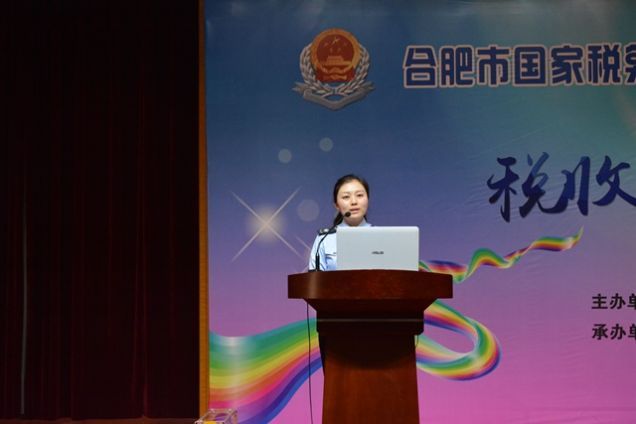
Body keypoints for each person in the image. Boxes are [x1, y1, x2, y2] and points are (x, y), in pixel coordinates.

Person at [308, 174, 371, 271]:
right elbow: (314, 278)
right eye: (346, 197)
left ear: (368, 199)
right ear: (336, 205)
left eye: (359, 195)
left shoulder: (382, 237)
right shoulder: (324, 239)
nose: (354, 202)